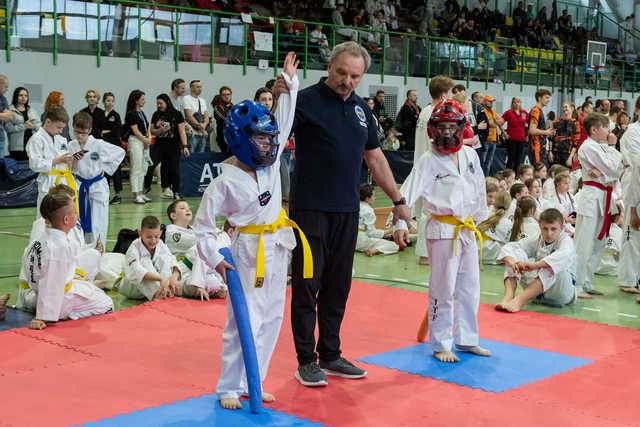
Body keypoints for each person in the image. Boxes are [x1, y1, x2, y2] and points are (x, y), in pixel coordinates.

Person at [286, 42, 411, 385]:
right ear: (330, 67)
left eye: (355, 76)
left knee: (338, 286)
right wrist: (283, 95)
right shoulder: (304, 100)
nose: (347, 81)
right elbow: (274, 136)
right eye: (342, 73)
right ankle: (305, 360)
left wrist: (398, 199)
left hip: (347, 210)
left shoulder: (360, 111)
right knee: (307, 286)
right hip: (309, 210)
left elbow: (375, 159)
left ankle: (330, 354)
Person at [194, 52, 301, 408]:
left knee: (271, 318)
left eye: (271, 139)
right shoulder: (223, 181)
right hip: (245, 251)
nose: (270, 145)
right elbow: (204, 228)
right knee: (243, 322)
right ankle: (228, 387)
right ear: (241, 139)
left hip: (277, 245)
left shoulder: (270, 165)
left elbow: (283, 124)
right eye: (261, 139)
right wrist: (215, 259)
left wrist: (287, 88)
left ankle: (252, 380)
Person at [394, 98, 489, 362]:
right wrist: (402, 223)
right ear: (433, 129)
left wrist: (482, 219)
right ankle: (440, 343)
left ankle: (467, 339)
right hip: (442, 229)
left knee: (470, 287)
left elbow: (479, 189)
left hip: (467, 228)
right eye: (442, 127)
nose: (447, 132)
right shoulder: (428, 159)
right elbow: (407, 192)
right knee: (443, 289)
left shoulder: (470, 155)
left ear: (461, 128)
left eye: (452, 127)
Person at [21, 187, 113, 330]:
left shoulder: (41, 239)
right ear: (66, 219)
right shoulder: (58, 247)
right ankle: (66, 314)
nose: (77, 215)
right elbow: (50, 284)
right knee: (106, 303)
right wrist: (43, 316)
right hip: (59, 299)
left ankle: (74, 302)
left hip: (41, 291)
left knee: (88, 283)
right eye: (75, 213)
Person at [574, 113, 623, 299]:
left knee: (598, 243)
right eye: (606, 127)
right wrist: (611, 148)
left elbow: (617, 171)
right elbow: (611, 168)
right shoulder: (587, 148)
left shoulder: (601, 147)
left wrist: (605, 172)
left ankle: (587, 282)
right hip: (591, 197)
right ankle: (577, 285)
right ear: (594, 130)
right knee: (584, 243)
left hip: (604, 197)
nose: (609, 131)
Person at [496, 208, 576, 312]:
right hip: (539, 293)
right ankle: (508, 297)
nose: (549, 233)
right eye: (545, 228)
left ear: (562, 228)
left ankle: (519, 301)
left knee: (551, 267)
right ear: (540, 227)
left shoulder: (566, 241)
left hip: (561, 293)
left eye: (553, 229)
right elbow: (512, 247)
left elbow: (562, 256)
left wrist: (534, 265)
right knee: (516, 257)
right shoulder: (538, 239)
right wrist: (512, 262)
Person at [414, 76, 455, 266]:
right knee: (429, 212)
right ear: (445, 94)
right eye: (451, 92)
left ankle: (427, 252)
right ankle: (425, 254)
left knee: (426, 210)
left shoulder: (425, 111)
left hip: (422, 164)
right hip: (432, 166)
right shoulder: (435, 113)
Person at [69, 112, 125, 245]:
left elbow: (120, 153)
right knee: (80, 224)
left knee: (97, 224)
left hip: (97, 186)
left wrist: (106, 169)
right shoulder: (72, 145)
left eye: (83, 133)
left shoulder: (98, 144)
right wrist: (75, 161)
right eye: (77, 132)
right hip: (80, 186)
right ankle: (84, 255)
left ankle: (99, 256)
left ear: (89, 130)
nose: (79, 136)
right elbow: (73, 170)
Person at [166, 199, 227, 300]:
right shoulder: (172, 233)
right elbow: (199, 241)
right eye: (182, 208)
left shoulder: (194, 228)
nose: (187, 210)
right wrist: (215, 235)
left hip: (201, 267)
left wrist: (217, 234)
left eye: (188, 208)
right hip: (181, 273)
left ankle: (217, 288)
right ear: (173, 216)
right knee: (211, 282)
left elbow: (215, 232)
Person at [26, 105, 80, 215]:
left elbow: (66, 163)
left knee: (65, 215)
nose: (60, 131)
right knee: (46, 216)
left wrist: (71, 160)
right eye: (58, 127)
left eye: (62, 128)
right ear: (48, 121)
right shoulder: (36, 139)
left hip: (64, 181)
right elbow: (34, 164)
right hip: (48, 183)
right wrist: (57, 160)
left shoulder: (62, 139)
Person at [117, 215, 182, 301]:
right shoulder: (134, 248)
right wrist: (160, 279)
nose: (153, 241)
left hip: (157, 286)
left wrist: (173, 277)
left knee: (165, 259)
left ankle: (166, 291)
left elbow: (172, 260)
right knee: (144, 261)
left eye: (156, 236)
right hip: (133, 288)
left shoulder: (160, 244)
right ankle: (159, 294)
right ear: (140, 233)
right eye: (149, 237)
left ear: (160, 233)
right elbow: (137, 271)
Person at [147, 94, 190, 200]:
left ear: (167, 102)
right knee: (151, 165)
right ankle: (148, 187)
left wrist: (185, 146)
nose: (159, 105)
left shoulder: (177, 114)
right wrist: (160, 131)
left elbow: (182, 131)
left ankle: (176, 191)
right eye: (157, 103)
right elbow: (152, 130)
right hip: (159, 145)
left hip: (173, 146)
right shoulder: (156, 114)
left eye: (161, 103)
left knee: (173, 169)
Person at [618, 97, 640, 296]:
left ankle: (636, 277)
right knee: (632, 231)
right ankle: (627, 279)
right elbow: (636, 162)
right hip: (633, 180)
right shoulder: (631, 133)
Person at [124, 90, 151, 205]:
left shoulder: (141, 112)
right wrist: (145, 140)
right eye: (142, 99)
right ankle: (135, 194)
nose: (144, 101)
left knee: (143, 168)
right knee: (136, 168)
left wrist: (148, 138)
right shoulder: (131, 113)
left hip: (144, 142)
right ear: (136, 100)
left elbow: (147, 126)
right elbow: (135, 131)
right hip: (135, 141)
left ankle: (141, 192)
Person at [357, 183, 399, 256]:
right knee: (394, 245)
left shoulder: (355, 206)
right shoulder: (368, 211)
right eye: (373, 196)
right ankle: (373, 250)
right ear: (367, 199)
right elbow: (371, 233)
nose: (375, 198)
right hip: (361, 242)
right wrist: (390, 230)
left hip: (350, 240)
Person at [100, 92, 124, 205]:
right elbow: (96, 130)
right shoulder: (99, 115)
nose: (110, 103)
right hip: (103, 147)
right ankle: (105, 193)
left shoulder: (116, 115)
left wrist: (105, 132)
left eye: (112, 101)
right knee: (104, 169)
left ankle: (118, 195)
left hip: (114, 146)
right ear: (104, 102)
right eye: (108, 100)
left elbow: (118, 130)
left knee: (116, 170)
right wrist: (102, 133)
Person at [6, 87, 40, 161]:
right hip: (17, 147)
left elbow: (39, 126)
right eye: (21, 95)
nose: (23, 97)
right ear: (16, 96)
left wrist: (32, 125)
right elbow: (8, 128)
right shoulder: (10, 110)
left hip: (31, 145)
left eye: (25, 95)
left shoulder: (32, 110)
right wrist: (24, 126)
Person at [479, 191, 513, 264]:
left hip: (478, 252)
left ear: (495, 202)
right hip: (493, 255)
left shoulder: (485, 215)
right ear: (509, 206)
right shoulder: (508, 223)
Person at [528, 88, 555, 165]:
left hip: (540, 146)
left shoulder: (539, 110)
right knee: (538, 172)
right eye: (546, 97)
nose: (548, 100)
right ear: (539, 98)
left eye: (549, 98)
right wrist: (546, 132)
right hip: (536, 147)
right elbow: (532, 130)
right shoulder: (535, 111)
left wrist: (547, 131)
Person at [550, 102, 580, 167]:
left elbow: (576, 143)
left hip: (567, 154)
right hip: (555, 153)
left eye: (566, 107)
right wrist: (550, 152)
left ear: (572, 108)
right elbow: (551, 138)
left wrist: (570, 157)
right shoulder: (556, 122)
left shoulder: (576, 123)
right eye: (563, 107)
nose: (564, 109)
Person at [502, 97, 529, 171]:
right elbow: (500, 123)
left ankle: (516, 177)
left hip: (521, 140)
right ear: (512, 103)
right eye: (514, 102)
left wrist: (527, 135)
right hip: (512, 139)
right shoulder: (509, 112)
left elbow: (530, 124)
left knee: (518, 160)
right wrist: (504, 133)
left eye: (518, 102)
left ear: (520, 103)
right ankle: (507, 175)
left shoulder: (524, 113)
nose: (516, 103)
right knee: (511, 159)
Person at [183, 80, 209, 153]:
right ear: (191, 88)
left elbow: (206, 117)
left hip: (202, 134)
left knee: (201, 157)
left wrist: (204, 125)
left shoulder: (202, 100)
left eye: (200, 87)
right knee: (190, 156)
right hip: (192, 133)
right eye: (197, 87)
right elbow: (189, 116)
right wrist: (202, 128)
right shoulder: (186, 99)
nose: (200, 88)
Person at [482, 94, 505, 175]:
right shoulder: (483, 110)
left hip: (493, 140)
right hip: (486, 140)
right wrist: (495, 122)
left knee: (488, 163)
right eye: (489, 101)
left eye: (492, 101)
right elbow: (491, 124)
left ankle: (487, 179)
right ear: (484, 101)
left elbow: (501, 122)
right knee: (483, 161)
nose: (491, 103)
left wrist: (494, 121)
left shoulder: (493, 112)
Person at [213, 86, 233, 153]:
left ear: (231, 95)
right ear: (221, 96)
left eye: (228, 94)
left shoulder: (234, 107)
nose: (226, 96)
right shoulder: (217, 107)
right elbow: (224, 119)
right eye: (224, 95)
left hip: (233, 137)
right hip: (223, 138)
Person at [0, 74, 11, 157]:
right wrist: (2, 115)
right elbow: (5, 115)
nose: (7, 89)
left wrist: (4, 115)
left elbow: (9, 116)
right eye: (5, 86)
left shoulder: (3, 99)